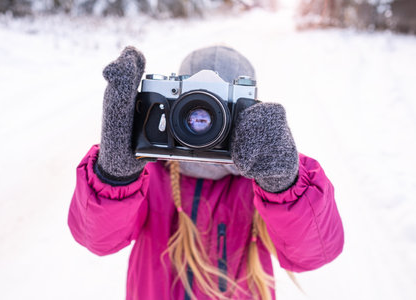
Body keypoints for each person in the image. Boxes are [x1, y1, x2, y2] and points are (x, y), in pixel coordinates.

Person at [68, 45, 344, 300]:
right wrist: (115, 178)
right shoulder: (151, 172)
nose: (203, 123)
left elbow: (314, 253)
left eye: (222, 108)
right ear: (171, 102)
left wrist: (285, 185)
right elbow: (98, 240)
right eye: (193, 106)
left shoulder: (261, 179)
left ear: (250, 111)